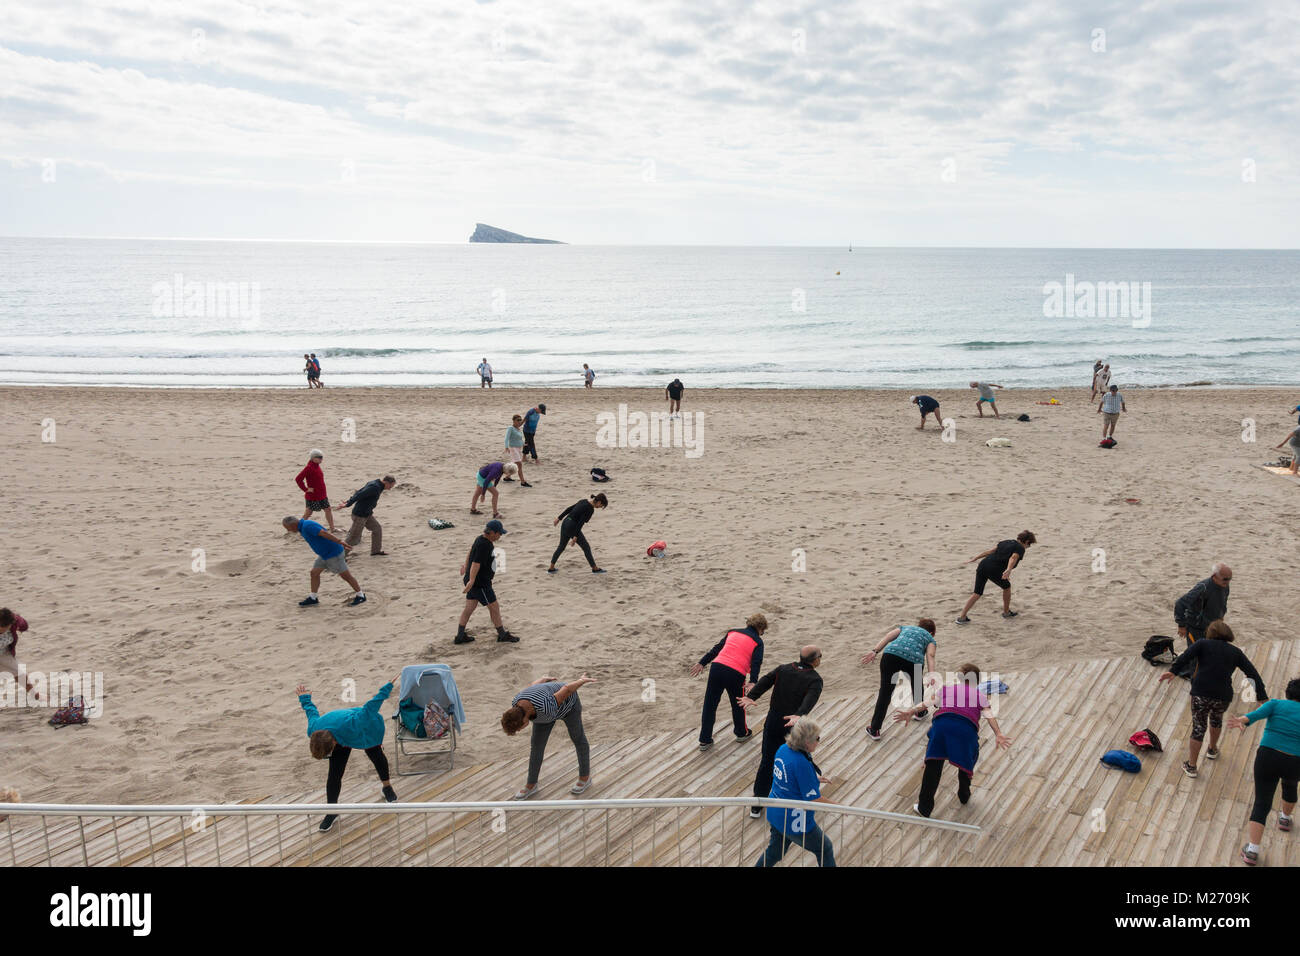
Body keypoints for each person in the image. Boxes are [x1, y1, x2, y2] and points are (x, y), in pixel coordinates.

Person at [897, 663, 1011, 817]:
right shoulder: (980, 696)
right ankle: (964, 794)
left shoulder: (946, 689)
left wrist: (911, 711)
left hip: (942, 727)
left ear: (962, 676)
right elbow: (989, 715)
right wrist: (998, 733)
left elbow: (927, 703)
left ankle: (924, 808)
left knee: (933, 766)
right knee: (968, 760)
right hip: (966, 731)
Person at [1158, 620, 1266, 779]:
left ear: (1211, 633)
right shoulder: (1235, 652)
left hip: (1201, 692)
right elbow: (1252, 673)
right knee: (1216, 720)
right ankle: (1212, 749)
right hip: (1222, 696)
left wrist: (1173, 671)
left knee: (1198, 728)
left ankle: (1192, 766)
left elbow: (1185, 657)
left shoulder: (1202, 644)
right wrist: (1261, 695)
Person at [297, 676, 398, 832]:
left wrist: (387, 687)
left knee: (376, 756)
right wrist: (305, 699)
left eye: (327, 754)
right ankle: (332, 811)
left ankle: (387, 787)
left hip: (367, 729)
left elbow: (371, 707)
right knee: (334, 774)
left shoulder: (357, 723)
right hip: (337, 734)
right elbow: (311, 713)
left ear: (334, 744)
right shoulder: (314, 729)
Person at [738, 645, 824, 818]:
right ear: (815, 660)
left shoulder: (783, 669)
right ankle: (806, 796)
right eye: (820, 656)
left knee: (767, 761)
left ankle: (757, 804)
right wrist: (799, 716)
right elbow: (810, 700)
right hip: (794, 726)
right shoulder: (815, 679)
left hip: (773, 720)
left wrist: (752, 696)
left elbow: (765, 680)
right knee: (802, 761)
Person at [1227, 676, 1300, 865]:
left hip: (1268, 756)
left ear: (1288, 694)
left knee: (1262, 802)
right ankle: (1285, 819)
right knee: (1290, 786)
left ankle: (1252, 851)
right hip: (1295, 761)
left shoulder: (1275, 704)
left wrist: (1241, 721)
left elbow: (1253, 716)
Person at [754, 717, 835, 867]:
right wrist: (838, 806)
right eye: (817, 738)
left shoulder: (783, 749)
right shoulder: (801, 762)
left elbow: (788, 777)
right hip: (794, 820)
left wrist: (813, 778)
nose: (819, 741)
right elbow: (813, 800)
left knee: (775, 852)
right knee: (825, 848)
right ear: (807, 742)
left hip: (776, 810)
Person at [501, 674, 596, 799]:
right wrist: (543, 680)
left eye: (519, 728)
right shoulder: (516, 702)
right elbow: (532, 687)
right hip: (544, 716)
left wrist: (581, 681)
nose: (519, 730)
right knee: (536, 747)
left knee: (578, 739)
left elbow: (566, 690)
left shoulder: (544, 706)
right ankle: (531, 785)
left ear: (524, 719)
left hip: (569, 706)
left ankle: (585, 778)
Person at [690, 613, 767, 750]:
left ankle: (704, 740)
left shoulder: (732, 632)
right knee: (738, 704)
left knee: (709, 705)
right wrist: (753, 680)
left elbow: (717, 649)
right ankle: (741, 733)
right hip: (735, 673)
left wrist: (702, 662)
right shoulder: (758, 641)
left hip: (717, 668)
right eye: (763, 631)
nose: (762, 634)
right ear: (760, 628)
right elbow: (757, 662)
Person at [860, 619, 938, 740]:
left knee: (885, 692)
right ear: (932, 632)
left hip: (891, 655)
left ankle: (874, 729)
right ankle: (920, 712)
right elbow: (930, 655)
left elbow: (888, 637)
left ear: (918, 626)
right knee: (917, 685)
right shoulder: (930, 638)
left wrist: (875, 651)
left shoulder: (905, 628)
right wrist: (932, 674)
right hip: (914, 660)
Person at [456, 519, 517, 644]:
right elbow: (476, 563)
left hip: (474, 582)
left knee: (469, 607)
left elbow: (470, 552)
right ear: (492, 532)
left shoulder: (480, 539)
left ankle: (460, 636)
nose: (500, 536)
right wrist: (472, 580)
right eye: (499, 533)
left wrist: (465, 566)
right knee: (494, 607)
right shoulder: (485, 545)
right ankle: (502, 634)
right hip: (480, 584)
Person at [282, 517, 365, 606]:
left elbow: (324, 533)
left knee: (346, 576)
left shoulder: (307, 526)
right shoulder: (302, 527)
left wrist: (340, 542)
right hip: (324, 555)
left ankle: (361, 595)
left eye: (288, 528)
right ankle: (313, 598)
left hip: (333, 554)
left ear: (293, 525)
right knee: (314, 573)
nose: (288, 531)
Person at [956, 531, 1036, 624]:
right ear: (1026, 541)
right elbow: (1013, 558)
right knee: (1007, 587)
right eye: (1029, 544)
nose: (1028, 546)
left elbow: (990, 552)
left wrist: (976, 558)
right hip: (993, 569)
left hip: (983, 565)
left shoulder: (1006, 542)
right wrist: (1009, 569)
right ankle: (1006, 613)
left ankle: (962, 617)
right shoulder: (1020, 548)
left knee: (977, 593)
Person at [547, 494, 607, 574]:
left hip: (565, 522)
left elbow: (569, 509)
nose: (599, 508)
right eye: (601, 506)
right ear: (599, 502)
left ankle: (551, 568)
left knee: (561, 546)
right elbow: (580, 522)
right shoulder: (590, 509)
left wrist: (559, 518)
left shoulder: (583, 501)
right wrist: (575, 536)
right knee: (586, 547)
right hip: (572, 526)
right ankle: (595, 568)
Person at [1174, 563, 1231, 646]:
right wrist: (1181, 625)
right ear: (1214, 576)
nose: (1228, 582)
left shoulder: (1225, 586)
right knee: (1196, 655)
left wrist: (1221, 617)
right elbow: (1180, 603)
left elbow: (1223, 603)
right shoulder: (1203, 587)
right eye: (1225, 579)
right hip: (1196, 629)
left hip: (1213, 628)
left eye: (1230, 579)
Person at [341, 474, 396, 556]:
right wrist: (348, 503)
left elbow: (359, 491)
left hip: (367, 514)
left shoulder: (377, 484)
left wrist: (348, 501)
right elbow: (359, 494)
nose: (390, 488)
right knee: (353, 538)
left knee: (377, 529)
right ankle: (340, 556)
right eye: (391, 486)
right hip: (360, 515)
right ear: (386, 482)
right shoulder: (375, 487)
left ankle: (375, 551)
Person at [0, 607, 38, 700]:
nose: (3, 629)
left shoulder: (14, 622)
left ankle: (34, 695)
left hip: (4, 653)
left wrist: (19, 623)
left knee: (19, 673)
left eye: (5, 627)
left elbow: (24, 625)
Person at [295, 449, 336, 532]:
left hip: (322, 494)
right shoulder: (309, 468)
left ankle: (332, 528)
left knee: (328, 509)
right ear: (313, 458)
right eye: (319, 457)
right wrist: (306, 489)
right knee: (308, 513)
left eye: (322, 457)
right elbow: (298, 479)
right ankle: (298, 528)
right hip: (313, 496)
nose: (321, 459)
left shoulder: (316, 466)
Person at [503, 416, 532, 487]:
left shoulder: (518, 429)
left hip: (518, 449)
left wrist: (523, 444)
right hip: (513, 448)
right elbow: (506, 438)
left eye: (520, 420)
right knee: (519, 464)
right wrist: (506, 447)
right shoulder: (510, 428)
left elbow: (519, 439)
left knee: (515, 464)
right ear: (513, 420)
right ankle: (523, 482)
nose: (519, 421)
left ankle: (507, 477)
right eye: (518, 420)